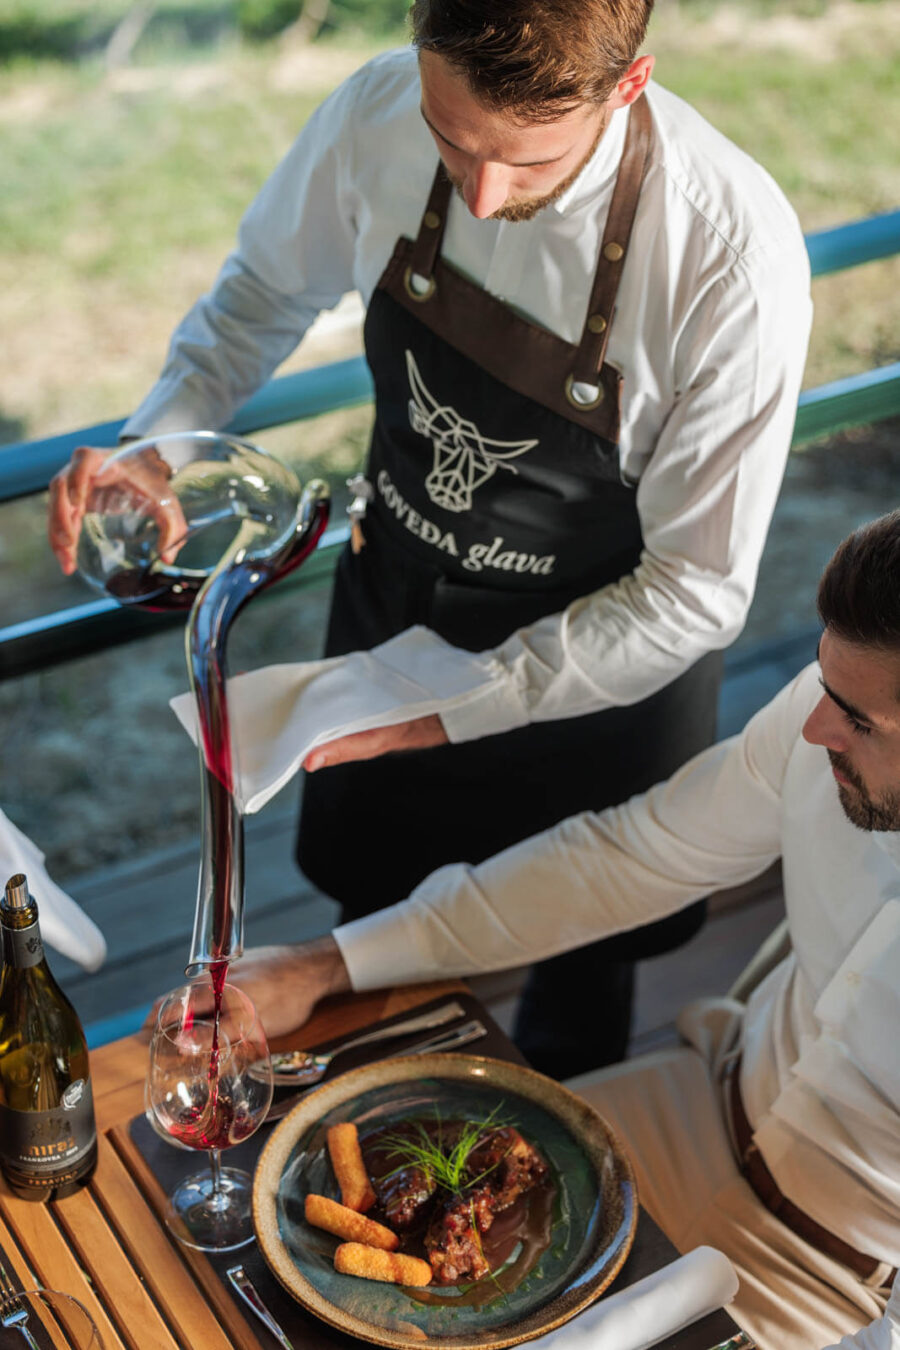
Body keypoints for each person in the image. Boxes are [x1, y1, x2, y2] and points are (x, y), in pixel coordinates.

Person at [47, 0, 812, 1077]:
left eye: (530, 159)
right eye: (451, 139)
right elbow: (262, 292)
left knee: (580, 987)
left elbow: (694, 592)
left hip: (603, 676)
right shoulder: (374, 111)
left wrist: (448, 705)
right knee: (358, 962)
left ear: (629, 85)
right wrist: (160, 441)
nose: (484, 195)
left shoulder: (729, 259)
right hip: (396, 606)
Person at [212, 511, 900, 1350]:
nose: (814, 727)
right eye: (824, 686)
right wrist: (327, 964)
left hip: (836, 1286)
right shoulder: (835, 705)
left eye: (860, 722)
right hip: (694, 1102)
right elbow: (629, 858)